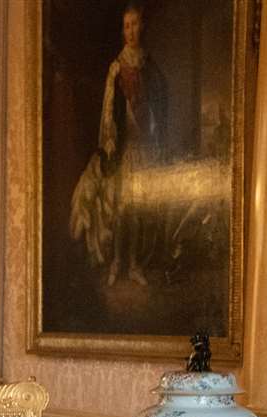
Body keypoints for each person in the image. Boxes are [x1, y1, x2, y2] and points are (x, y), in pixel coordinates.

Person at [69, 2, 168, 286]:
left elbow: (160, 107)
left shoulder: (151, 68)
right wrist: (109, 142)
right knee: (120, 210)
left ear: (143, 26)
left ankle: (135, 265)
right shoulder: (115, 69)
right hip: (123, 150)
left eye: (135, 24)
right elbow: (108, 113)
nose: (131, 31)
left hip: (144, 149)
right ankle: (116, 263)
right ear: (122, 31)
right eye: (126, 26)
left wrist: (154, 131)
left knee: (137, 211)